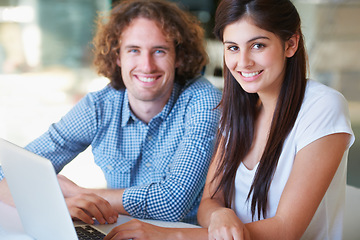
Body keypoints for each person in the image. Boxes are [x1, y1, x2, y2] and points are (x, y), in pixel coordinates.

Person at [103, 0, 355, 239]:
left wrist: (171, 235)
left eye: (258, 45)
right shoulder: (238, 108)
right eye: (233, 47)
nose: (242, 62)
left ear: (291, 44)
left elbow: (285, 230)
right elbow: (208, 203)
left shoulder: (322, 106)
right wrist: (221, 214)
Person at [0, 0, 221, 226]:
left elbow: (172, 202)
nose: (147, 65)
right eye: (133, 50)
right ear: (117, 56)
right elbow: (9, 173)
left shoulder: (203, 101)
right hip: (116, 231)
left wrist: (78, 195)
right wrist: (53, 202)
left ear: (180, 57)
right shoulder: (99, 107)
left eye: (159, 51)